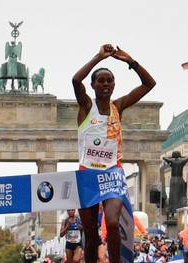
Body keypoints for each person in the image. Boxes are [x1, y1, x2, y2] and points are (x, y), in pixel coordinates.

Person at [72, 44, 156, 263]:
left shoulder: (119, 106)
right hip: (87, 175)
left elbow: (150, 84)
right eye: (101, 80)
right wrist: (98, 57)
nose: (106, 84)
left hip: (112, 173)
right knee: (90, 235)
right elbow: (75, 80)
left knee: (111, 222)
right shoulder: (85, 106)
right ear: (93, 85)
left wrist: (130, 61)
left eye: (110, 81)